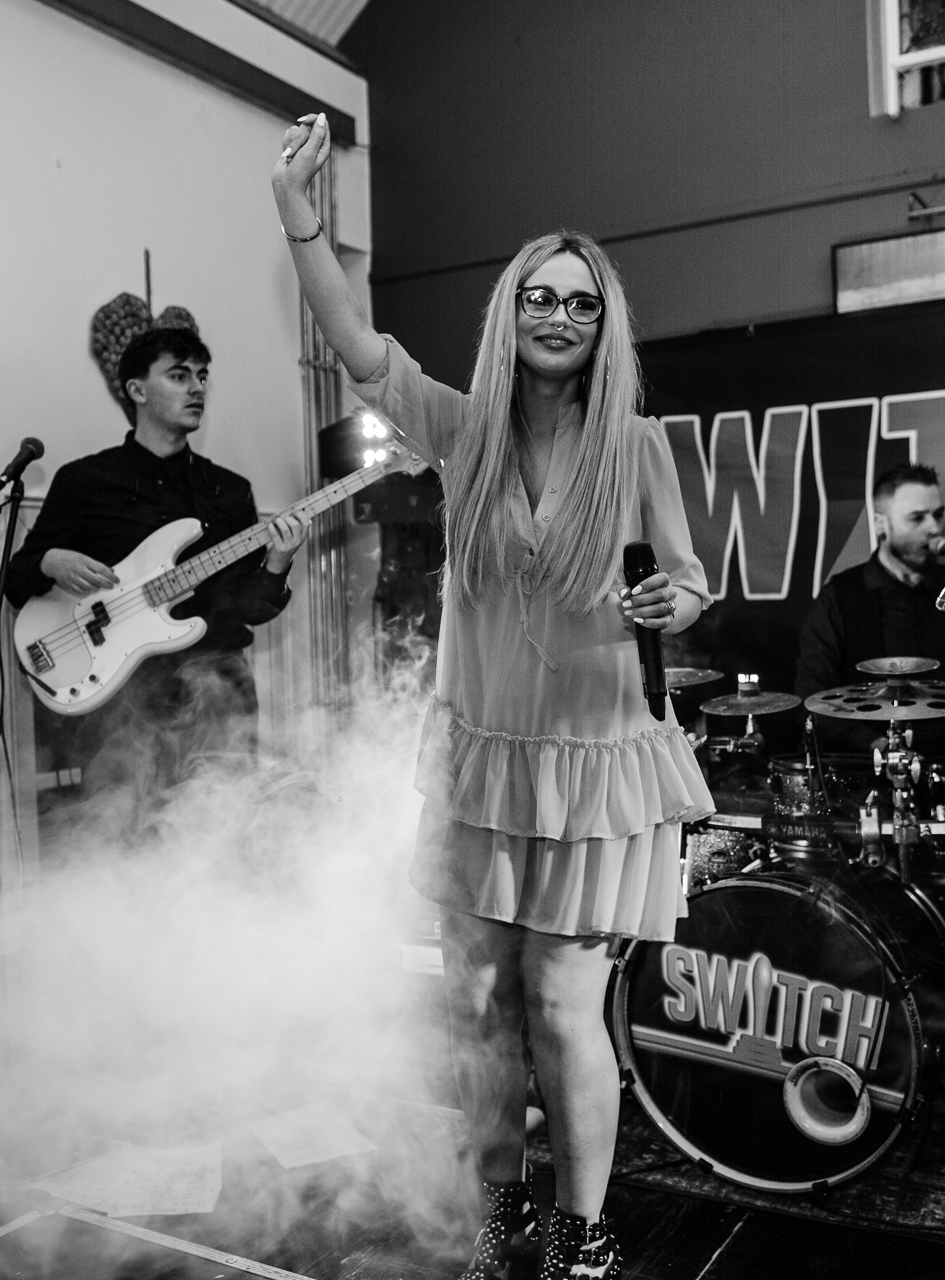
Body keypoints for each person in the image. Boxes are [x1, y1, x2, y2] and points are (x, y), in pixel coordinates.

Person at [274, 114, 713, 1280]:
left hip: (595, 759)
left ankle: (584, 1232)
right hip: (485, 757)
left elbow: (689, 577)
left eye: (579, 300)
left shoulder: (639, 444)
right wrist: (301, 219)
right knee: (474, 1000)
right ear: (510, 314)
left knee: (563, 1004)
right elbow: (358, 346)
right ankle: (498, 1219)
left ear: (603, 320)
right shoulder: (460, 434)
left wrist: (677, 602)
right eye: (539, 297)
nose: (558, 314)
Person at [5, 306, 309, 825]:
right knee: (120, 837)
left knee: (221, 833)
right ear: (137, 390)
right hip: (121, 700)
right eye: (178, 375)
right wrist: (52, 560)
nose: (197, 388)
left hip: (217, 693)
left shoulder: (229, 492)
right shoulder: (86, 481)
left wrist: (277, 564)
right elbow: (17, 578)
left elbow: (245, 609)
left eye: (202, 376)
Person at [794, 462, 945, 754]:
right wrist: (876, 746)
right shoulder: (840, 597)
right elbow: (813, 698)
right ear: (881, 524)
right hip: (872, 771)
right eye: (917, 518)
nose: (934, 529)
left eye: (936, 515)